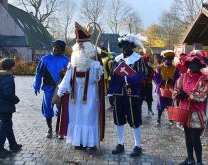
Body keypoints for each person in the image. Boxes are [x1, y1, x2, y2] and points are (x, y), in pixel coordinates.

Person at [55, 22, 105, 154]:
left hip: (91, 94)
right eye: (79, 45)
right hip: (75, 95)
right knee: (76, 117)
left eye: (83, 45)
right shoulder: (73, 61)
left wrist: (96, 68)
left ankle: (91, 143)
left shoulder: (95, 60)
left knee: (89, 118)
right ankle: (79, 141)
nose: (81, 47)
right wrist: (62, 89)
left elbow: (99, 79)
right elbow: (68, 76)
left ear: (89, 46)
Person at [108, 34, 148, 157]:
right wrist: (111, 90)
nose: (125, 48)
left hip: (132, 94)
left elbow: (142, 75)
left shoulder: (138, 59)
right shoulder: (117, 59)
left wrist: (126, 79)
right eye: (124, 46)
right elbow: (113, 75)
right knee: (119, 119)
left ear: (132, 47)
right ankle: (120, 144)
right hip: (119, 93)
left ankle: (138, 145)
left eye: (128, 46)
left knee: (135, 119)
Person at [173, 52, 208, 165]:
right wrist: (178, 94)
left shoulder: (203, 80)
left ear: (200, 65)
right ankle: (190, 159)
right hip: (184, 111)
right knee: (187, 136)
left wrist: (188, 96)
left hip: (195, 113)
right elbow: (176, 89)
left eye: (195, 63)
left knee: (195, 138)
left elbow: (202, 95)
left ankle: (199, 162)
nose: (192, 65)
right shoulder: (182, 78)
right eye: (190, 63)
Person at [33, 40, 69, 138]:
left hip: (61, 88)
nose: (57, 49)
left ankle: (59, 130)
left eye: (59, 48)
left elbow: (70, 75)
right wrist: (36, 86)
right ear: (52, 48)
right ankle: (49, 129)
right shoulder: (45, 59)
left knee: (60, 109)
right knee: (48, 108)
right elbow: (39, 73)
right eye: (55, 47)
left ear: (62, 49)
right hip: (48, 87)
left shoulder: (67, 60)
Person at [0, 58, 22, 158]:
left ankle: (13, 145)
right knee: (4, 127)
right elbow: (8, 93)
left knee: (8, 124)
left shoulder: (0, 77)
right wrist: (16, 99)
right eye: (14, 65)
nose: (15, 66)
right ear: (10, 67)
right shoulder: (8, 78)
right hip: (4, 105)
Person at [153, 50, 180, 125]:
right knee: (160, 105)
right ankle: (158, 118)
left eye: (170, 60)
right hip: (161, 90)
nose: (169, 61)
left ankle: (170, 118)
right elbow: (155, 77)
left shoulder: (175, 69)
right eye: (167, 59)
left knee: (170, 105)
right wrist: (162, 80)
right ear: (164, 60)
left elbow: (178, 78)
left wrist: (173, 80)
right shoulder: (159, 68)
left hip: (171, 90)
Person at [140, 51, 154, 116]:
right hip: (141, 85)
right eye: (144, 60)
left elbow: (153, 76)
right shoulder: (139, 68)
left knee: (149, 98)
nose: (146, 61)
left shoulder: (150, 68)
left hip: (148, 84)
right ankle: (139, 110)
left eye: (147, 60)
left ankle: (149, 109)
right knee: (140, 98)